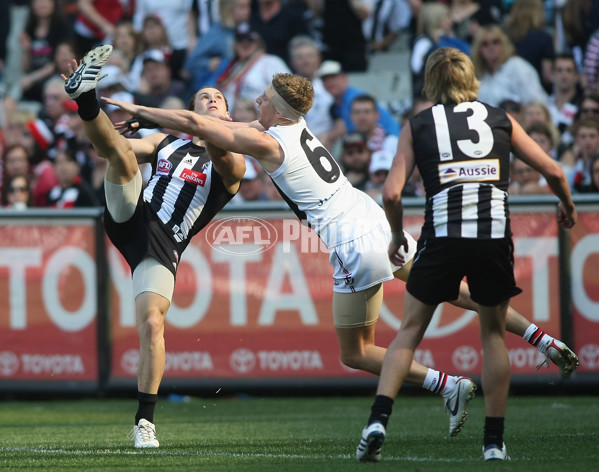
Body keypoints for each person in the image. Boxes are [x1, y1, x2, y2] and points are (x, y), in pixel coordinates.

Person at [105, 69, 580, 443]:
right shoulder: (293, 124)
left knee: (355, 352)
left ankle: (445, 386)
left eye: (264, 98)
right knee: (460, 291)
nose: (256, 101)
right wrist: (170, 119)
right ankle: (543, 340)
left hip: (351, 243)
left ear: (279, 110)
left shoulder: (268, 141)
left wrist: (140, 110)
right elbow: (217, 124)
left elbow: (195, 123)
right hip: (369, 216)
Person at [355, 47, 577, 463]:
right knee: (492, 335)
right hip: (492, 235)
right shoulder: (499, 118)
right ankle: (494, 444)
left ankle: (378, 421)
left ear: (432, 82)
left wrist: (395, 235)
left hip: (440, 237)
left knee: (408, 332)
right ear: (470, 78)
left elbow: (390, 192)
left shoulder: (418, 124)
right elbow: (555, 171)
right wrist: (566, 203)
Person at [62, 44, 246, 448]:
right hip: (135, 214)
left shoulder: (232, 160)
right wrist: (111, 129)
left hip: (165, 243)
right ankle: (85, 97)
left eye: (218, 98)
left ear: (228, 115)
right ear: (191, 108)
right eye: (204, 96)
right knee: (121, 157)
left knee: (151, 323)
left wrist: (192, 123)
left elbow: (218, 148)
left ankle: (144, 421)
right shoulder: (165, 142)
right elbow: (104, 148)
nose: (211, 99)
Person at [471, 24, 548, 107]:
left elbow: (537, 101)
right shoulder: (480, 76)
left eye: (495, 42)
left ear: (503, 44)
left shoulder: (517, 66)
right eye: (485, 44)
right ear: (478, 49)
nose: (491, 47)